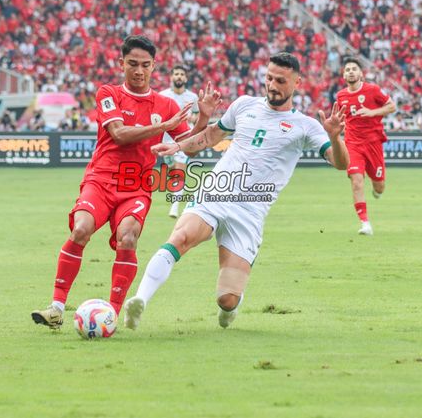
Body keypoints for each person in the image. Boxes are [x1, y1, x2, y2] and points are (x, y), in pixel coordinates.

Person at [122, 52, 349, 330]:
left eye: (280, 80)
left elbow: (340, 163)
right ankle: (140, 300)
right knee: (181, 237)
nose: (272, 85)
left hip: (251, 211)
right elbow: (210, 137)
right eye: (269, 78)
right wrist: (178, 146)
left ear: (297, 82)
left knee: (227, 299)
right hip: (217, 191)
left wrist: (335, 138)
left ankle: (230, 310)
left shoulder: (306, 126)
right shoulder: (244, 105)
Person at [31, 35, 221, 329]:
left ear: (154, 66)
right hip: (101, 179)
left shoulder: (166, 104)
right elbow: (119, 134)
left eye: (145, 65)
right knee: (81, 229)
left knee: (128, 238)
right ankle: (56, 307)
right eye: (132, 64)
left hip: (137, 185)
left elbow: (191, 145)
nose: (139, 71)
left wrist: (202, 120)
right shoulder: (108, 93)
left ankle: (112, 315)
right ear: (121, 63)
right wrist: (162, 127)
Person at [336, 57, 396, 236]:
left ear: (361, 73)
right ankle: (365, 223)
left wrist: (372, 112)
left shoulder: (373, 90)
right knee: (356, 181)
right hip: (353, 144)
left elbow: (391, 106)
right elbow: (343, 118)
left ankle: (377, 191)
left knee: (379, 187)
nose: (351, 72)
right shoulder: (341, 96)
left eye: (354, 69)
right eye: (347, 69)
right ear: (344, 75)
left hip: (373, 143)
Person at [159, 65, 200, 218]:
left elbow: (196, 115)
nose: (179, 76)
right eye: (176, 74)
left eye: (182, 74)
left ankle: (175, 207)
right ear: (171, 77)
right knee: (171, 169)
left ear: (186, 78)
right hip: (166, 138)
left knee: (179, 169)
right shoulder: (163, 95)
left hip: (184, 137)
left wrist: (192, 118)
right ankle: (175, 193)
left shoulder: (193, 97)